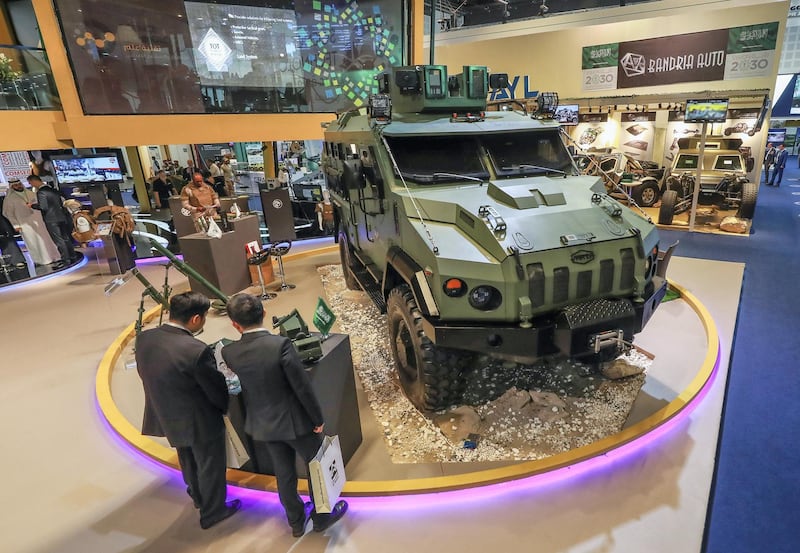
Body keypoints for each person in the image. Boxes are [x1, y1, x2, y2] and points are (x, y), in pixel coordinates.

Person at [222, 293, 348, 538]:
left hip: (262, 423)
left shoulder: (230, 352)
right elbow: (302, 387)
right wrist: (317, 419)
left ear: (235, 324)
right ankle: (322, 516)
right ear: (265, 313)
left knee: (284, 473)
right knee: (316, 466)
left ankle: (296, 521)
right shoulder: (280, 346)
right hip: (295, 423)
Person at [135, 291, 241, 529]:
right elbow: (214, 389)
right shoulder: (195, 350)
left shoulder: (145, 338)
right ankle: (213, 511)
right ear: (195, 319)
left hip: (166, 412)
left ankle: (197, 495)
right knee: (210, 463)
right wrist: (224, 407)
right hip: (199, 417)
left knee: (188, 458)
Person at [2, 177, 59, 266]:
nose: (18, 186)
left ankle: (55, 256)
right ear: (12, 187)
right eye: (15, 185)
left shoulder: (31, 193)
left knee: (47, 240)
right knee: (34, 242)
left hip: (39, 221)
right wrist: (16, 225)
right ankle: (42, 260)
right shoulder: (9, 199)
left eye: (19, 184)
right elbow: (8, 214)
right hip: (24, 224)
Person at [27, 174, 76, 268]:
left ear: (33, 181)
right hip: (61, 217)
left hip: (51, 219)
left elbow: (43, 207)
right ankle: (72, 256)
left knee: (58, 240)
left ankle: (65, 260)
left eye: (30, 183)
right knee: (65, 238)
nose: (31, 185)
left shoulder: (41, 192)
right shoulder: (53, 190)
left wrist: (32, 206)